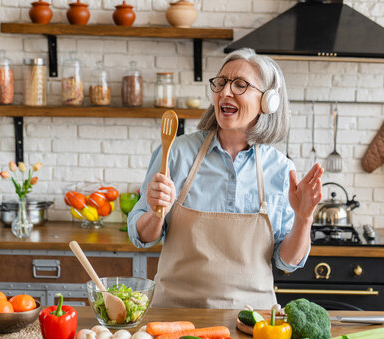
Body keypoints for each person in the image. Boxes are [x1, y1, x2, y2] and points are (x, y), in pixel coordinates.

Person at [127, 48, 324, 309]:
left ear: (268, 101)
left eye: (240, 85)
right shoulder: (176, 152)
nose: (225, 92)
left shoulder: (279, 168)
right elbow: (142, 236)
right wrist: (156, 213)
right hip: (174, 317)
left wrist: (303, 218)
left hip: (253, 322)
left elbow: (286, 261)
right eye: (221, 83)